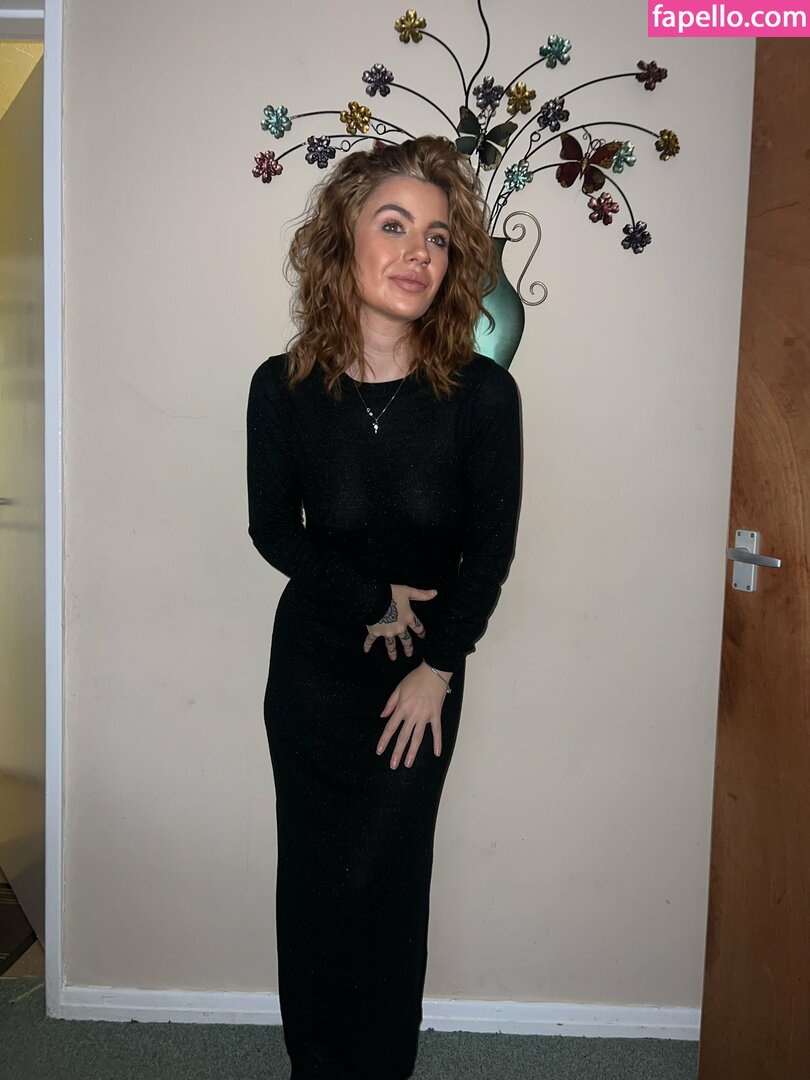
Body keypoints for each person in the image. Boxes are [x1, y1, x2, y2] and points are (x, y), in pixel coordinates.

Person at [246, 134, 523, 1080]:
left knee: (390, 886)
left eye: (438, 238)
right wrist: (368, 596)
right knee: (313, 884)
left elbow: (490, 552)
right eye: (395, 226)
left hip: (421, 683)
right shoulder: (282, 388)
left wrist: (438, 668)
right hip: (313, 676)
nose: (418, 253)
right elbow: (273, 530)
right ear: (344, 242)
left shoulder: (483, 396)